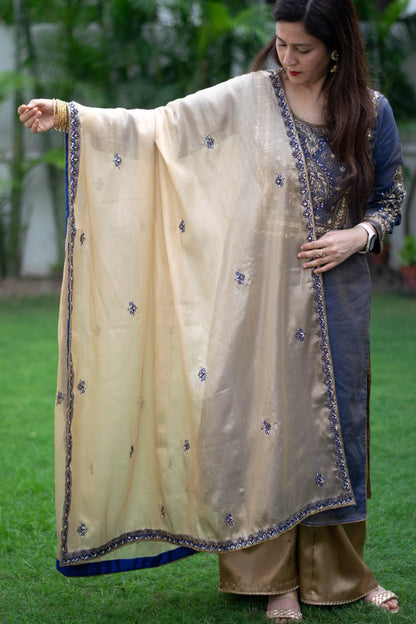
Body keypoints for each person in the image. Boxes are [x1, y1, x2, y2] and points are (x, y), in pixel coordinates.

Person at [18, 0, 404, 621]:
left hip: (339, 293)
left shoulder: (371, 112)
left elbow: (391, 194)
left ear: (338, 47)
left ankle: (340, 576)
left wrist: (357, 237)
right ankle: (272, 580)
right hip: (256, 295)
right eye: (280, 45)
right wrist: (70, 116)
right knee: (262, 425)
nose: (288, 59)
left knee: (339, 429)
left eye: (302, 48)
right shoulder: (252, 96)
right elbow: (165, 126)